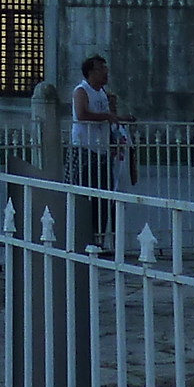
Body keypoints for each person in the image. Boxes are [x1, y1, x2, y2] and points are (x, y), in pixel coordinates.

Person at [70, 56, 124, 251]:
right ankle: (83, 238)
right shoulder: (81, 91)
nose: (106, 72)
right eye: (102, 68)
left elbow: (110, 120)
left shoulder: (102, 93)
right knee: (85, 196)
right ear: (91, 72)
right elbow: (82, 114)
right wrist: (107, 116)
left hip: (101, 150)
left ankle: (99, 238)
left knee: (104, 197)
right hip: (85, 149)